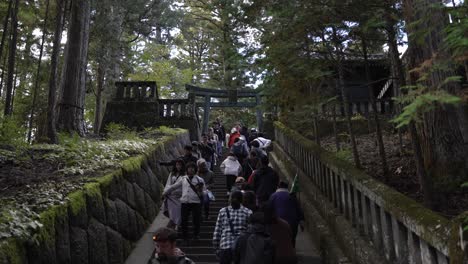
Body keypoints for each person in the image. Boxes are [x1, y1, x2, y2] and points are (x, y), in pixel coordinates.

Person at [163, 162, 205, 241]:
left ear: (195, 169)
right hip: (185, 202)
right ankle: (185, 236)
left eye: (193, 168)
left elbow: (205, 191)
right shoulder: (183, 179)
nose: (191, 169)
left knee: (196, 220)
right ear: (187, 169)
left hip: (196, 202)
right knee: (184, 219)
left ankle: (196, 235)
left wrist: (201, 191)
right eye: (189, 168)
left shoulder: (200, 180)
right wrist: (165, 192)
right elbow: (174, 187)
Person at [213, 191, 252, 264]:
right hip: (241, 248)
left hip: (225, 246)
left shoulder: (223, 211)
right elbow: (250, 232)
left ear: (230, 199)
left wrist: (216, 248)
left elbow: (217, 231)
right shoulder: (248, 212)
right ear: (242, 200)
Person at [268, 181, 305, 247]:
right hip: (292, 223)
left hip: (278, 222)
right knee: (291, 240)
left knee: (279, 240)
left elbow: (269, 209)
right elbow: (298, 209)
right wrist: (301, 221)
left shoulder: (273, 196)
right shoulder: (292, 196)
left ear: (278, 187)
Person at [163, 159, 185, 229]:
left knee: (178, 212)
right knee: (172, 213)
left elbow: (178, 185)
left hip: (179, 196)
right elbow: (168, 183)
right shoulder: (172, 173)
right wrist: (166, 191)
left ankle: (175, 227)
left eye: (180, 165)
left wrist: (166, 192)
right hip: (170, 196)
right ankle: (173, 228)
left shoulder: (184, 175)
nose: (178, 166)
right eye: (177, 165)